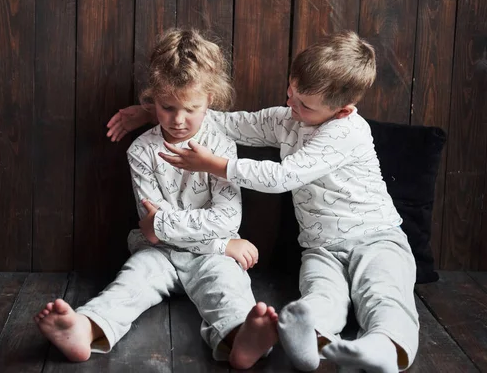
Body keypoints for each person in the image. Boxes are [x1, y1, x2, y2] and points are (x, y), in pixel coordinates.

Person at [106, 30, 419, 373]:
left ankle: (384, 346)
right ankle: (312, 341)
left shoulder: (345, 132)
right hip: (320, 247)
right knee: (319, 296)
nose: (291, 106)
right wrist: (150, 112)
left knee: (383, 293)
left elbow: (283, 177)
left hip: (377, 237)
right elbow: (227, 121)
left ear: (342, 111)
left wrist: (217, 166)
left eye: (304, 104)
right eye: (291, 92)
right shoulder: (290, 119)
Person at [35, 28, 279, 370]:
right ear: (152, 101)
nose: (178, 120)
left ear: (210, 99)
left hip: (215, 255)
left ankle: (241, 337)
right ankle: (85, 328)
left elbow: (225, 220)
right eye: (167, 107)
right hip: (160, 254)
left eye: (190, 108)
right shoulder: (142, 150)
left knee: (227, 288)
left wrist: (215, 247)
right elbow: (151, 231)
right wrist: (215, 242)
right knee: (130, 284)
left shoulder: (220, 145)